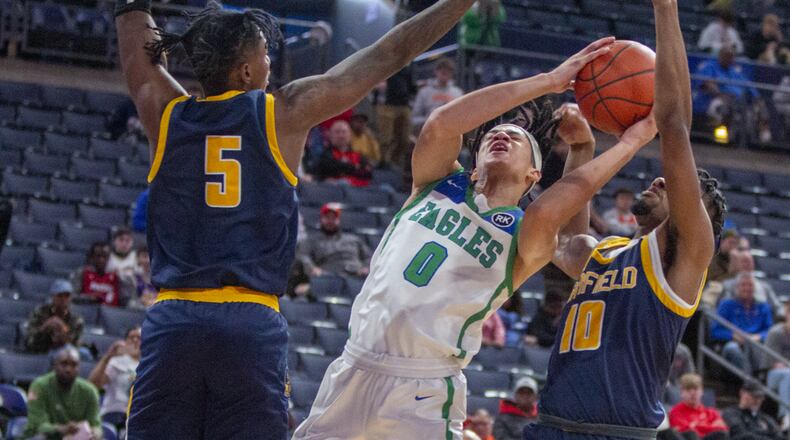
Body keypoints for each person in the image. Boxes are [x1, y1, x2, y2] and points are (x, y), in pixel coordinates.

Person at [115, 0, 478, 436]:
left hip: (174, 320)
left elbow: (137, 48)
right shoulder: (281, 113)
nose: (271, 61)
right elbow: (389, 53)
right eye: (264, 53)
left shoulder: (167, 113)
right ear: (246, 72)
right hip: (249, 321)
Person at [295, 36, 661, 439]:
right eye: (491, 135)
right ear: (473, 162)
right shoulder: (435, 184)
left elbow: (567, 227)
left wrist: (614, 145)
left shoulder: (526, 230)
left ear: (533, 176)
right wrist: (549, 80)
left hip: (422, 388)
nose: (500, 136)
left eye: (517, 139)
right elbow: (441, 124)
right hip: (353, 365)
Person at [524, 2, 727, 439]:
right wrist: (582, 151)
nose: (660, 177)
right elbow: (570, 240)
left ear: (697, 214)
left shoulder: (684, 257)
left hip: (616, 432)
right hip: (551, 426)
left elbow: (673, 125)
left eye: (678, 187)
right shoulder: (611, 251)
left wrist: (666, 10)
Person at [23, 346, 103, 440]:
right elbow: (37, 425)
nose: (68, 369)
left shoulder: (89, 391)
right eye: (64, 364)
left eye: (74, 365)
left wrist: (95, 433)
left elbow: (96, 425)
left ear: (79, 368)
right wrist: (62, 429)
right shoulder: (39, 386)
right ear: (55, 365)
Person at [711, 272, 773, 375]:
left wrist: (758, 337)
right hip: (733, 343)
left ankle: (760, 378)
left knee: (760, 349)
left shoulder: (763, 307)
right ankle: (750, 380)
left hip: (756, 344)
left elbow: (770, 331)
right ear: (737, 287)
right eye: (743, 285)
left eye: (750, 285)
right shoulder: (726, 305)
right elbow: (715, 330)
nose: (747, 288)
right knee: (732, 348)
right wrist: (733, 336)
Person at [296, 203, 372, 280]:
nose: (330, 221)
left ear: (338, 220)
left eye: (333, 218)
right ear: (321, 219)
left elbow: (369, 257)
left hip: (356, 276)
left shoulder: (354, 239)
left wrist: (366, 268)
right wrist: (312, 269)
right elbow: (303, 256)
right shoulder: (311, 241)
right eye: (327, 217)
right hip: (327, 278)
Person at [88, 326, 141, 430]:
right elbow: (92, 385)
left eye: (139, 338)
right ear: (125, 342)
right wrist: (108, 357)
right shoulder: (115, 361)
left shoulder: (149, 365)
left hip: (137, 416)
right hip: (114, 414)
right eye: (131, 337)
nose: (135, 340)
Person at [25, 279, 84, 354]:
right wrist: (45, 326)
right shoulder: (40, 312)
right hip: (42, 351)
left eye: (67, 296)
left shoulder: (76, 319)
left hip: (65, 354)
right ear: (53, 297)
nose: (63, 299)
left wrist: (62, 327)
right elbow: (30, 342)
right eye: (60, 296)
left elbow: (74, 346)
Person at [376, 65, 417, 171]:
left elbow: (412, 87)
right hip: (387, 105)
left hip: (404, 105)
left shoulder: (407, 68)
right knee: (386, 138)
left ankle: (394, 161)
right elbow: (374, 84)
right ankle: (383, 162)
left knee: (405, 139)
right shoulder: (386, 66)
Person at [668, 373, 729, 440]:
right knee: (691, 434)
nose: (692, 393)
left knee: (722, 434)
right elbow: (685, 431)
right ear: (682, 392)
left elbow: (723, 429)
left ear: (702, 391)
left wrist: (695, 425)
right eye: (688, 389)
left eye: (696, 389)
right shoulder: (676, 412)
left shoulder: (711, 412)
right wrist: (710, 426)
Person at [411, 57, 465, 132]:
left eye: (448, 71)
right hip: (428, 131)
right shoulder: (424, 92)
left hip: (451, 131)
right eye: (442, 72)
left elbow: (462, 117)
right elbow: (414, 118)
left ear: (452, 73)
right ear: (436, 71)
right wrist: (430, 120)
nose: (445, 74)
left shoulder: (457, 92)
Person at [314, 120, 374, 186]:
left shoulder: (358, 155)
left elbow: (369, 173)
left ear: (350, 135)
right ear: (330, 135)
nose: (341, 135)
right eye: (337, 132)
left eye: (344, 132)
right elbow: (329, 168)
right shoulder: (325, 155)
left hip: (360, 190)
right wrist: (355, 167)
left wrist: (344, 168)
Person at [763, 302, 790, 428]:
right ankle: (785, 416)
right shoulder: (776, 333)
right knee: (788, 374)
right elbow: (772, 362)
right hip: (772, 375)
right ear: (787, 315)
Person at [72, 242, 121, 307]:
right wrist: (88, 298)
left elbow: (125, 301)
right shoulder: (81, 272)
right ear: (91, 257)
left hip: (111, 314)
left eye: (105, 256)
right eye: (98, 256)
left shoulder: (118, 276)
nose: (102, 260)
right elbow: (72, 297)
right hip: (87, 310)